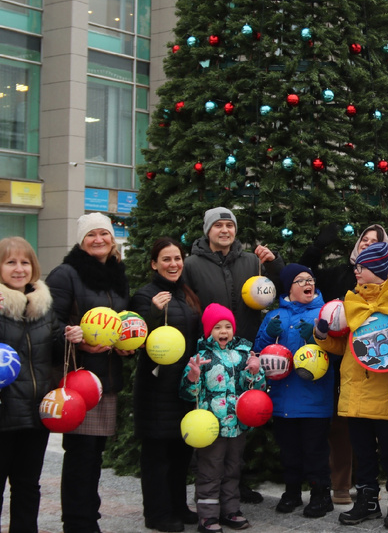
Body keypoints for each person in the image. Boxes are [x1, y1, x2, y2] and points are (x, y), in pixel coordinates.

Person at [0, 237, 83, 533]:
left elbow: (53, 352)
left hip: (33, 416)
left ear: (33, 267)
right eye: (11, 262)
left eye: (25, 262)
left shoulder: (43, 307)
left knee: (27, 489)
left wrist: (69, 338)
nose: (19, 269)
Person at [315, 241, 388, 528]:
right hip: (353, 391)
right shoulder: (350, 302)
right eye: (357, 267)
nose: (356, 271)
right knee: (362, 451)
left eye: (361, 267)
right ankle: (368, 501)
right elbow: (343, 347)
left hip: (386, 391)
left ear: (376, 269)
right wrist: (322, 334)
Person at [45, 212, 132, 533]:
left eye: (104, 234)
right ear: (81, 241)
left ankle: (87, 518)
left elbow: (121, 320)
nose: (99, 240)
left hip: (106, 379)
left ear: (112, 239)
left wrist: (126, 344)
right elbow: (48, 323)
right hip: (78, 378)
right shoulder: (66, 274)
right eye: (91, 235)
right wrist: (78, 341)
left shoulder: (116, 274)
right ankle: (79, 523)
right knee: (81, 455)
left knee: (94, 455)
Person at [300, 223, 388, 504]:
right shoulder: (340, 273)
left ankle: (367, 486)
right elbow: (303, 275)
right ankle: (340, 485)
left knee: (368, 429)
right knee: (340, 428)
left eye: (375, 241)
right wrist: (317, 247)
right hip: (338, 361)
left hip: (374, 365)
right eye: (364, 239)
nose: (367, 243)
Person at [130, 237, 203, 532]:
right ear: (154, 264)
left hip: (184, 386)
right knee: (157, 456)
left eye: (177, 258)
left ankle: (177, 505)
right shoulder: (144, 295)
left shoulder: (187, 293)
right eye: (166, 259)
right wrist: (152, 313)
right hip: (156, 389)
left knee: (180, 452)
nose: (173, 264)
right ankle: (157, 514)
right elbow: (134, 339)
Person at [254, 263, 335, 518]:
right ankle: (291, 492)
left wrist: (315, 338)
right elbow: (258, 352)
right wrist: (268, 335)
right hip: (283, 399)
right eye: (300, 280)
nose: (307, 283)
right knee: (289, 450)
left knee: (315, 451)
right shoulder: (274, 316)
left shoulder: (324, 313)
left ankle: (321, 495)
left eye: (310, 279)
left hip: (314, 399)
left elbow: (335, 351)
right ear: (289, 287)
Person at [181, 303, 265, 533]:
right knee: (210, 470)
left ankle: (230, 510)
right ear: (209, 331)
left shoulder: (242, 355)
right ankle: (207, 516)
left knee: (233, 468)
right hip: (211, 426)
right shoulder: (201, 356)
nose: (224, 331)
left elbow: (255, 388)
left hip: (237, 424)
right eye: (217, 327)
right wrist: (193, 377)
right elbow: (188, 394)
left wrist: (255, 371)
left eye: (228, 326)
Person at [182, 207, 282, 343]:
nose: (225, 230)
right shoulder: (190, 265)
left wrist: (273, 264)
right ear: (207, 231)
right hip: (208, 350)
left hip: (247, 347)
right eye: (218, 225)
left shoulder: (253, 262)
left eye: (229, 225)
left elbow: (280, 290)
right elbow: (184, 309)